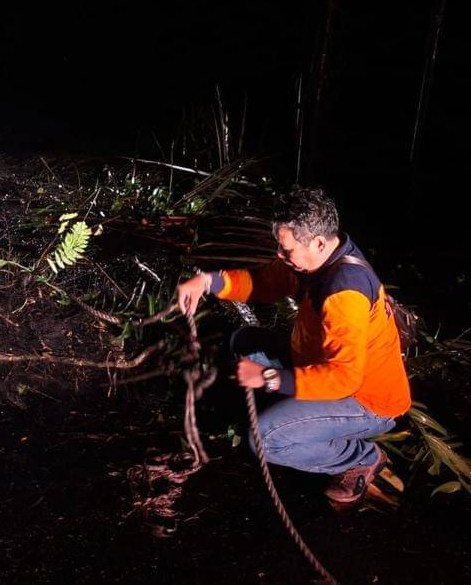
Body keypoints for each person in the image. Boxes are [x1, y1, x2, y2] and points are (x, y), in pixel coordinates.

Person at [175, 187, 411, 503]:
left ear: (318, 242)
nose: (280, 255)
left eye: (286, 250)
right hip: (315, 362)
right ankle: (296, 418)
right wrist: (207, 281)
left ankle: (362, 458)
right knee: (246, 341)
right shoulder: (312, 262)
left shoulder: (345, 293)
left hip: (366, 399)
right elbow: (261, 283)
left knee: (263, 440)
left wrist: (268, 378)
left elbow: (344, 378)